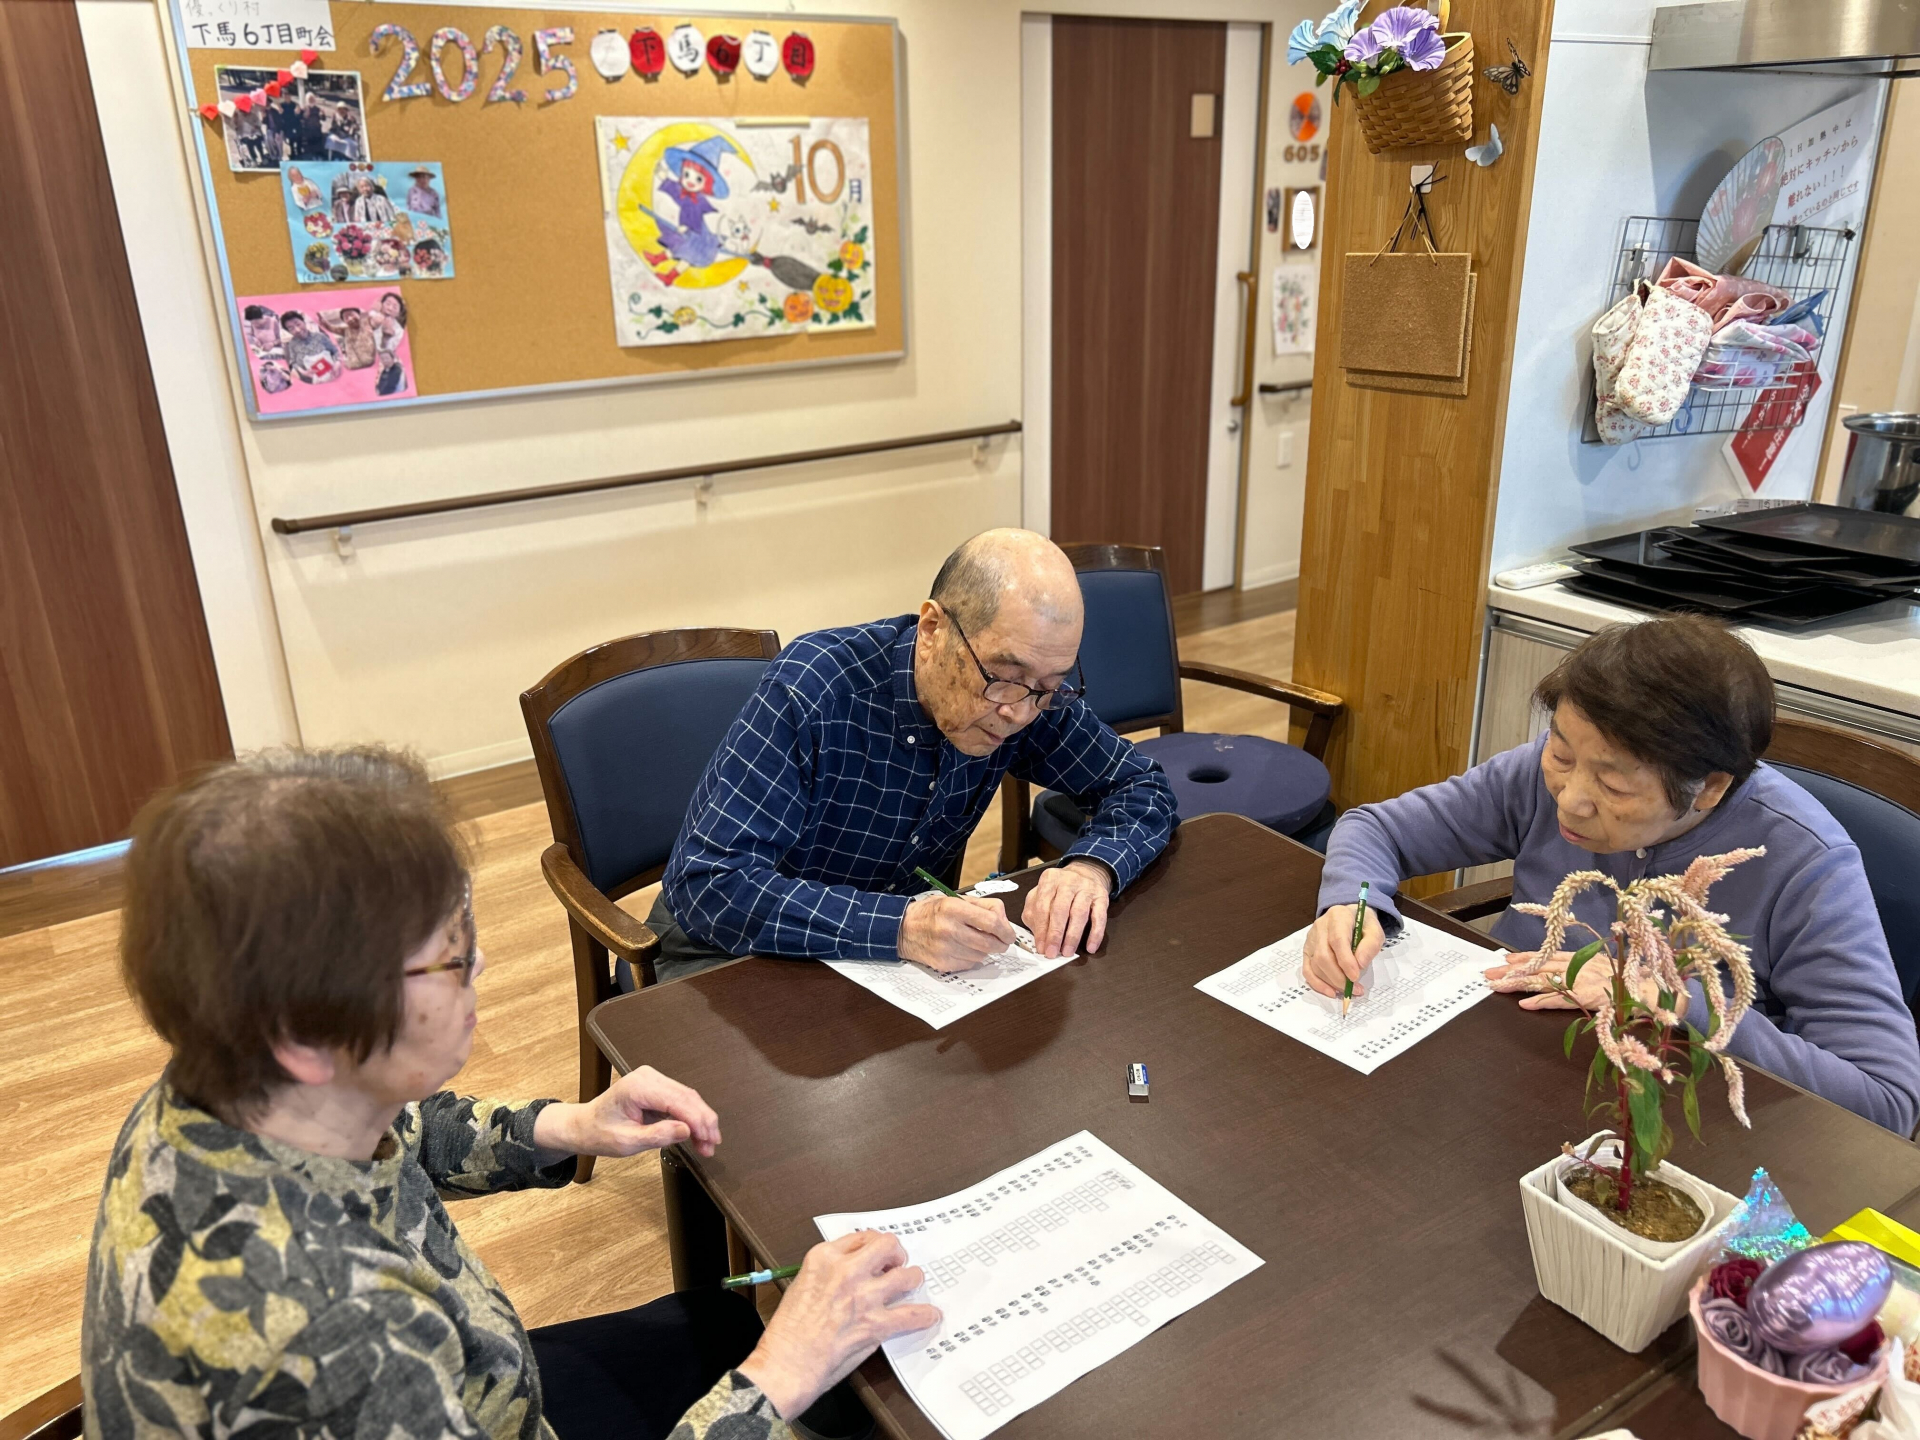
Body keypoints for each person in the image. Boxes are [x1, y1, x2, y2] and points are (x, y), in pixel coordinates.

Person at [84, 748, 937, 1440]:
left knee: (739, 1334)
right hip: (449, 1390)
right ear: (305, 1036)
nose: (481, 965)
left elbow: (398, 1129)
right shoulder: (337, 1346)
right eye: (450, 953)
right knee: (808, 1375)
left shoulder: (231, 1077)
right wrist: (778, 1378)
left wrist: (569, 1125)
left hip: (484, 1377)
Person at [1301, 615, 1920, 1135]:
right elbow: (1377, 829)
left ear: (1709, 788)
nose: (1570, 800)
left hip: (1665, 1130)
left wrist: (1680, 1003)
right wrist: (1355, 903)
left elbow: (1885, 1100)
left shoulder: (1805, 862)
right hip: (1497, 1074)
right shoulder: (1543, 774)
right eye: (1561, 753)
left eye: (1615, 785)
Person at [656, 528, 1178, 982]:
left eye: (1049, 687)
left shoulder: (1028, 694)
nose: (1020, 713)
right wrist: (900, 928)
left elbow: (1141, 786)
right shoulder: (814, 689)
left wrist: (1092, 868)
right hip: (733, 953)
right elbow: (709, 885)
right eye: (1003, 678)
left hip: (892, 968)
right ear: (932, 631)